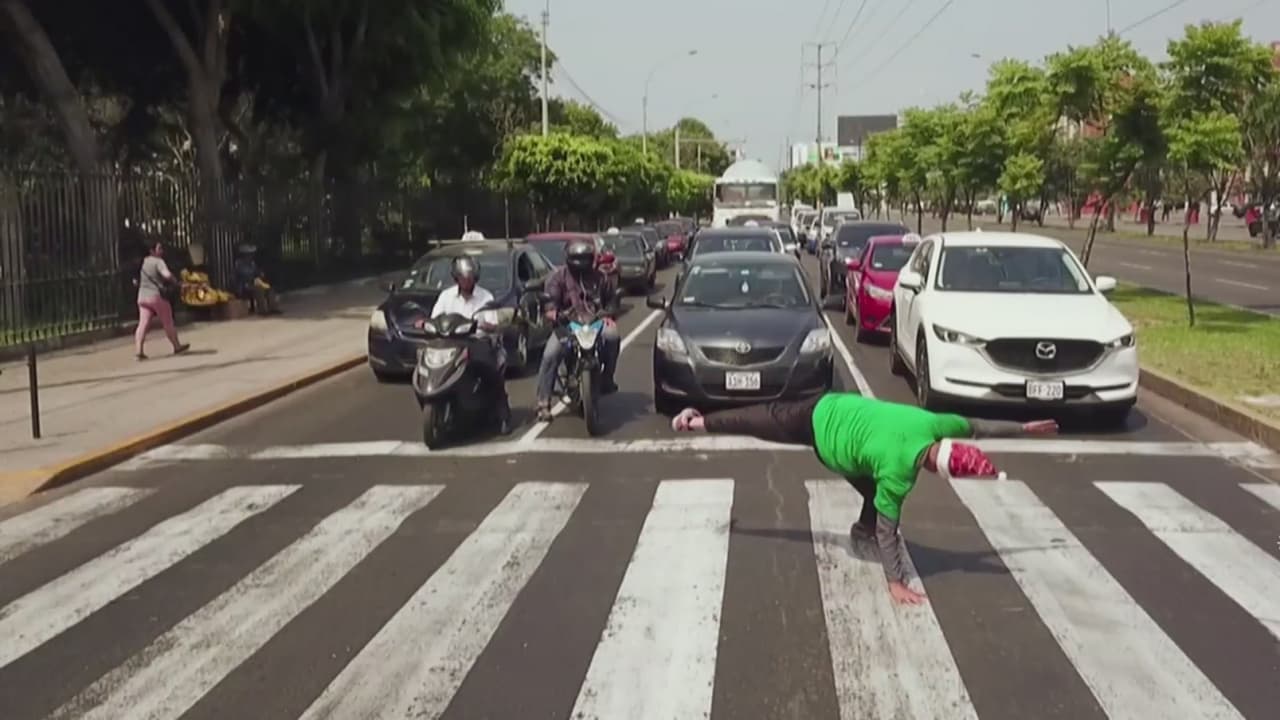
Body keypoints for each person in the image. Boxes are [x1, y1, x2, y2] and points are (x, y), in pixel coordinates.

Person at [669, 393, 1058, 605]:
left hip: (831, 404)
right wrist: (895, 583)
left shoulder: (935, 423)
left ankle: (695, 422)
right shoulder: (898, 473)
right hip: (825, 439)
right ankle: (861, 532)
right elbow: (888, 533)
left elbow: (978, 427)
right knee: (876, 496)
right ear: (936, 470)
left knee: (759, 418)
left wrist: (1024, 428)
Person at [535, 239, 620, 421]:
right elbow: (549, 301)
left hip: (595, 322)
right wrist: (552, 312)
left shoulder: (601, 278)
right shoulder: (557, 277)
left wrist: (609, 314)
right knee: (550, 354)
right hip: (567, 325)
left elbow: (612, 300)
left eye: (585, 258)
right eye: (577, 258)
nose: (581, 263)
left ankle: (607, 378)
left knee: (613, 336)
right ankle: (543, 403)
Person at [431, 256, 511, 434]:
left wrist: (485, 325)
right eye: (463, 278)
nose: (466, 281)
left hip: (477, 343)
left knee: (491, 371)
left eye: (470, 278)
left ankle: (503, 415)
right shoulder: (446, 296)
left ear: (475, 278)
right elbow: (435, 317)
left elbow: (493, 322)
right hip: (450, 344)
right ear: (456, 278)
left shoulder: (485, 297)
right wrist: (426, 323)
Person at [134, 241, 191, 361]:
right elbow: (167, 275)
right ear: (152, 251)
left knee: (142, 324)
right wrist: (176, 282)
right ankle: (177, 346)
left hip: (142, 297)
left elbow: (135, 281)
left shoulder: (142, 262)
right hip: (157, 296)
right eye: (159, 248)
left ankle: (139, 351)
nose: (162, 251)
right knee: (167, 322)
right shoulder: (158, 262)